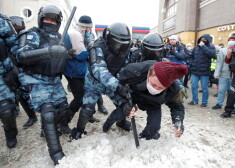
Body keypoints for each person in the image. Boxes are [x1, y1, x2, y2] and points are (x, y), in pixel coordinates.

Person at [15, 5, 69, 164]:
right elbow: (22, 55)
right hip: (36, 79)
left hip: (54, 79)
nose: (49, 22)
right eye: (46, 18)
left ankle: (46, 129)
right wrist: (49, 52)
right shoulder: (33, 34)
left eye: (53, 20)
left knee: (62, 108)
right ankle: (57, 155)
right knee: (48, 114)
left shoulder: (59, 37)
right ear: (40, 19)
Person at [69, 22, 132, 140]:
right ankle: (79, 130)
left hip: (112, 81)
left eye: (122, 44)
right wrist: (118, 86)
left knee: (125, 104)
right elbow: (98, 70)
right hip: (94, 82)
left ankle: (121, 123)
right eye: (117, 44)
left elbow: (125, 67)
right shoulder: (96, 47)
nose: (119, 47)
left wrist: (126, 84)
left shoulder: (126, 50)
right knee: (87, 109)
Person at [103, 61, 188, 139]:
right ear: (148, 74)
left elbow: (177, 106)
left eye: (160, 88)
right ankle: (106, 127)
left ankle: (143, 138)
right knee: (120, 113)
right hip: (134, 94)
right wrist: (123, 103)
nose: (155, 89)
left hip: (154, 102)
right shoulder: (132, 71)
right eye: (154, 84)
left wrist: (178, 121)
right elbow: (117, 89)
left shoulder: (174, 89)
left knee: (154, 128)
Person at [63, 15, 108, 132]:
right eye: (89, 28)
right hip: (74, 72)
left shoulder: (81, 34)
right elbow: (83, 54)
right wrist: (89, 46)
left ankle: (88, 116)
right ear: (85, 27)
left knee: (88, 96)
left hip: (79, 71)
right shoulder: (76, 34)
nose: (90, 30)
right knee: (78, 99)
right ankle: (63, 122)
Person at [9, 15, 38, 128]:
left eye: (18, 24)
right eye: (14, 24)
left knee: (34, 94)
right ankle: (32, 116)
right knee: (20, 95)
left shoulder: (27, 36)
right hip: (14, 71)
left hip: (27, 71)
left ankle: (39, 116)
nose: (17, 26)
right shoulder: (10, 38)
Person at [0, 13, 19, 148]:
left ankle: (10, 133)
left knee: (6, 110)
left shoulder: (2, 21)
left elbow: (14, 45)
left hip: (2, 72)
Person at [188, 34, 216, 107]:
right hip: (195, 71)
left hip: (205, 72)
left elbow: (212, 55)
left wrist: (203, 46)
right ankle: (194, 100)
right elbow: (191, 56)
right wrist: (191, 64)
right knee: (194, 86)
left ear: (207, 40)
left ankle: (204, 102)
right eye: (201, 38)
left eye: (204, 39)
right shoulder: (196, 48)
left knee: (204, 88)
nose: (203, 40)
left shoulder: (211, 47)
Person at [212, 37, 234, 110]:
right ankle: (219, 103)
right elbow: (219, 63)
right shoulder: (223, 51)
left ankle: (233, 106)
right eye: (230, 40)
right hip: (224, 73)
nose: (231, 42)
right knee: (221, 90)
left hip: (233, 75)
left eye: (233, 40)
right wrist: (216, 73)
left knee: (233, 93)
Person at [220, 42, 235, 118]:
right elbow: (227, 61)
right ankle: (228, 111)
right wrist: (228, 56)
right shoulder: (233, 47)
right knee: (232, 94)